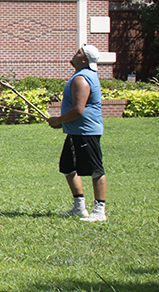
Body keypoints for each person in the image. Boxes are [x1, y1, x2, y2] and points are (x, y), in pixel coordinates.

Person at [47, 44, 108, 222]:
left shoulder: (82, 78)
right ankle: (79, 207)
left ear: (85, 60)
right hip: (75, 131)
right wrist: (63, 123)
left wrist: (58, 120)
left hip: (85, 132)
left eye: (78, 52)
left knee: (95, 169)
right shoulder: (81, 76)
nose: (74, 54)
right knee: (67, 167)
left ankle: (99, 211)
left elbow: (78, 110)